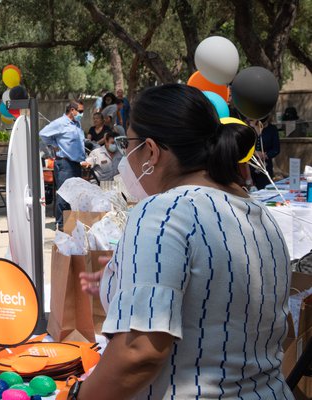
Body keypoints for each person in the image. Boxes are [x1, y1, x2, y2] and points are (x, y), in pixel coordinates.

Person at [75, 84, 292, 399]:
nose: (125, 158)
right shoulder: (259, 213)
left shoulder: (162, 211)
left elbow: (138, 353)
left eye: (127, 144)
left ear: (150, 151)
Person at [39, 102, 86, 230]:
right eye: (80, 111)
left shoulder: (76, 124)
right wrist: (54, 144)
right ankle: (60, 223)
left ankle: (70, 222)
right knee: (64, 194)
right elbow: (43, 134)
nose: (82, 114)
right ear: (72, 110)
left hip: (76, 163)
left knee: (75, 194)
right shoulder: (60, 123)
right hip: (65, 163)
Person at [249, 116, 280, 190]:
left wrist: (265, 156)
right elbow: (245, 146)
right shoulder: (250, 129)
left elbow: (276, 149)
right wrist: (255, 153)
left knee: (264, 188)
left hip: (266, 165)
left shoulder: (272, 129)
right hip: (250, 165)